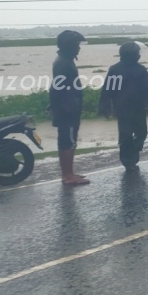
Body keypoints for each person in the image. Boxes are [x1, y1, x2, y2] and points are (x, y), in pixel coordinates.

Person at [98, 42, 148, 171]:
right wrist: (105, 106)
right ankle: (128, 162)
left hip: (138, 108)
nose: (139, 56)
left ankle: (133, 153)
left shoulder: (141, 69)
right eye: (137, 54)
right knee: (125, 135)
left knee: (142, 133)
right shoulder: (115, 70)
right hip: (122, 109)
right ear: (131, 55)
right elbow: (108, 90)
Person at [50, 30, 90, 185]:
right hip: (67, 109)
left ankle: (68, 173)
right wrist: (66, 106)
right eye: (76, 45)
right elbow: (58, 87)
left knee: (66, 140)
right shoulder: (64, 64)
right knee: (68, 141)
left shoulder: (64, 60)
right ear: (69, 46)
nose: (79, 48)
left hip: (67, 107)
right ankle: (67, 175)